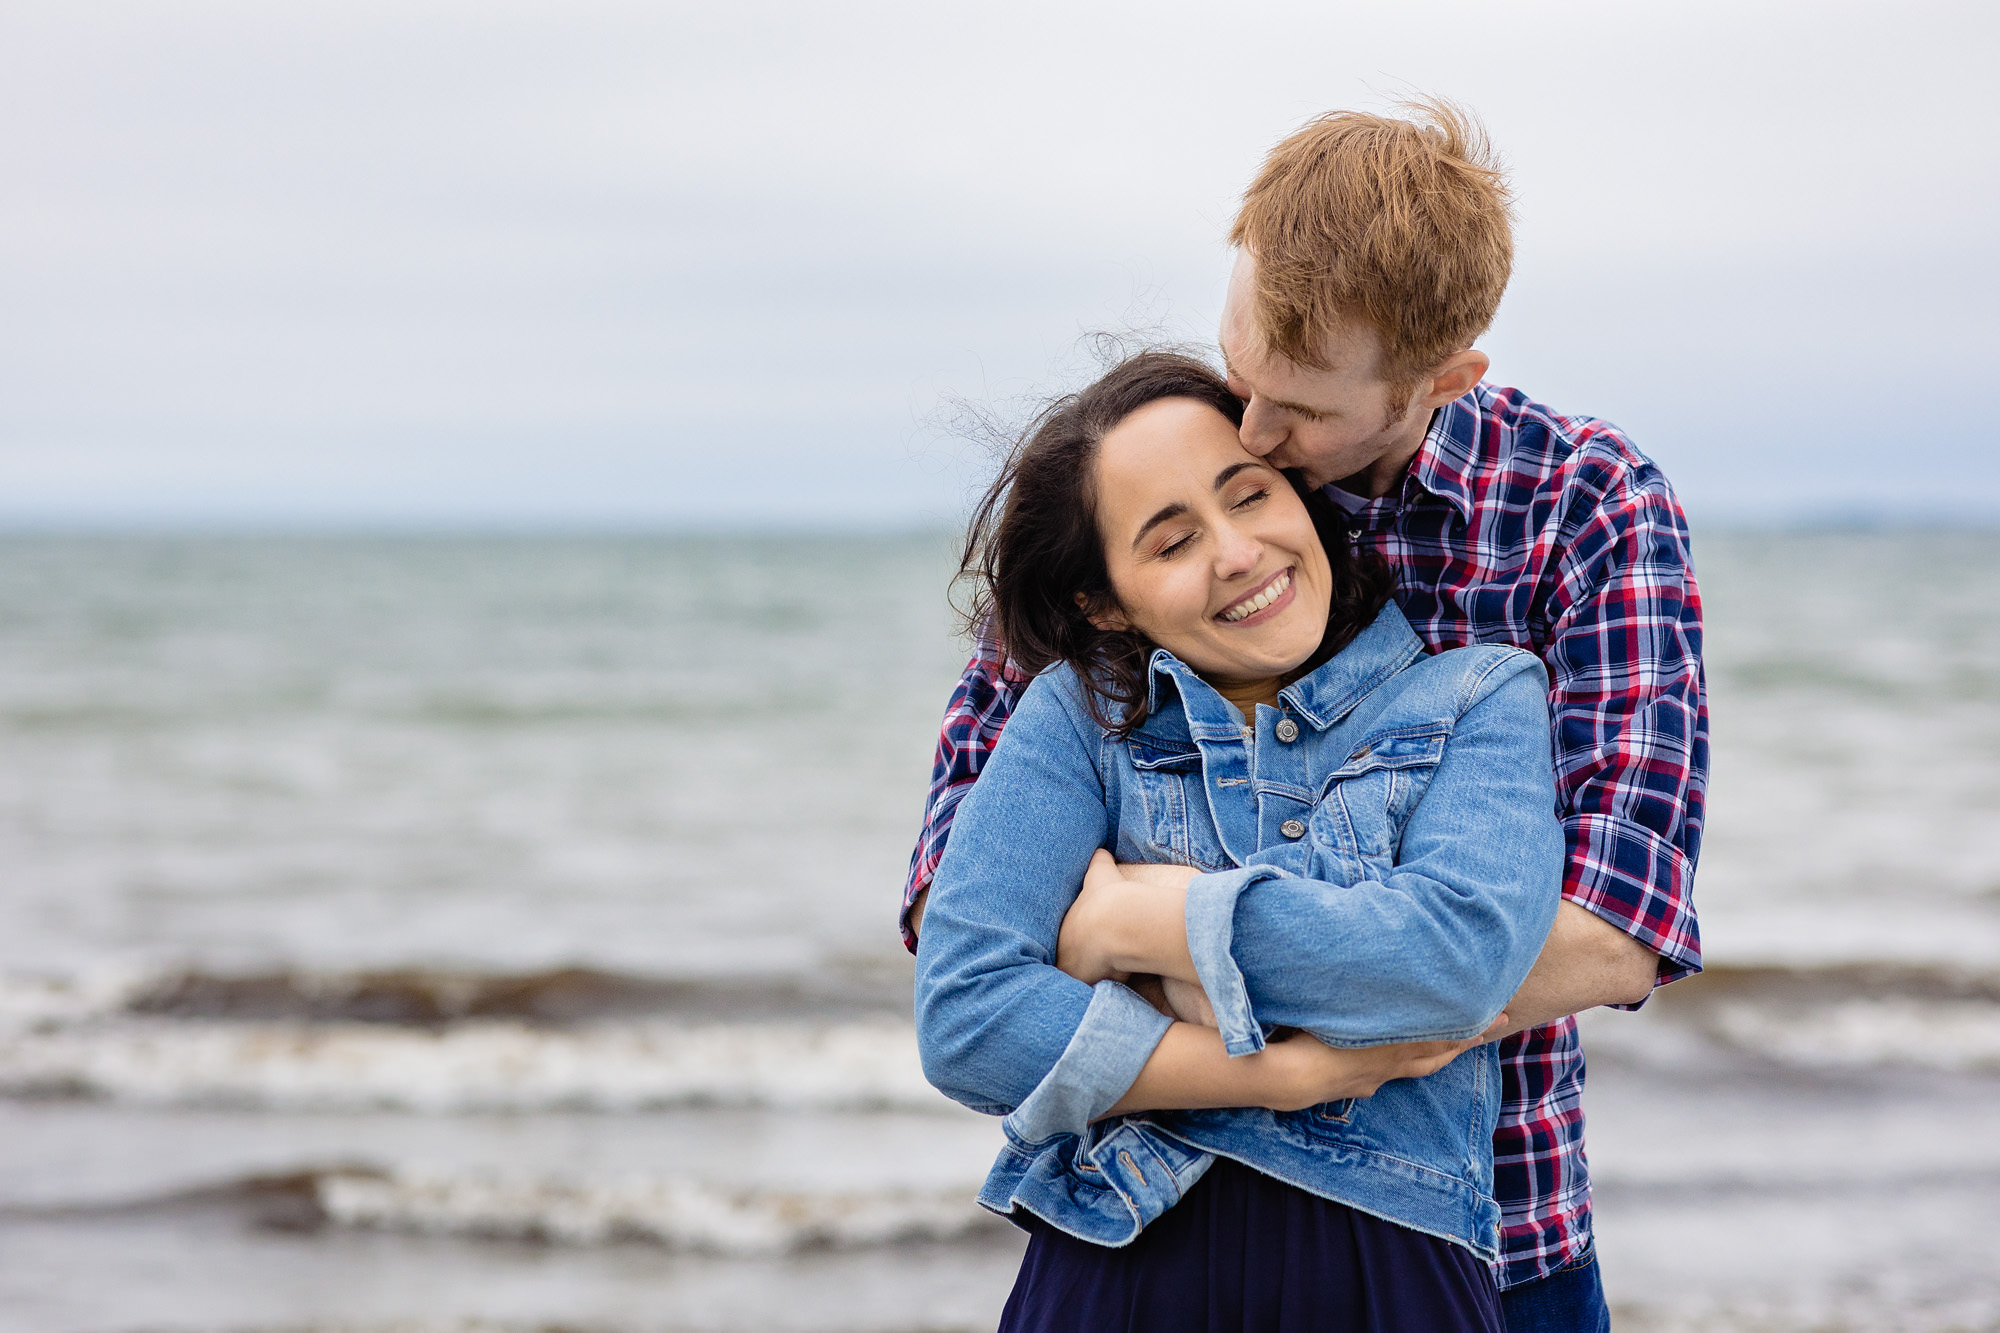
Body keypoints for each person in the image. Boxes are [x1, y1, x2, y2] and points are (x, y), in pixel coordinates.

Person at [903, 100, 1707, 1332]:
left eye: (1293, 426)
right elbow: (957, 913)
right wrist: (1290, 1050)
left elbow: (1608, 928)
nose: (1256, 433)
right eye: (1243, 373)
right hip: (1137, 1210)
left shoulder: (1580, 509)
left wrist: (1157, 925)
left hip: (1487, 1223)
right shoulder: (1155, 484)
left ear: (1442, 379)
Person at [915, 350, 1564, 1331]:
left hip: (1390, 1277)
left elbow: (1453, 962)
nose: (1234, 551)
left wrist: (1144, 925)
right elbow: (967, 1015)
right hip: (1115, 1267)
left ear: (1302, 498)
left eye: (1248, 496)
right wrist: (1288, 1073)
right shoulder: (1079, 718)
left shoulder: (1476, 695)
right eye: (1170, 543)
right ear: (1103, 601)